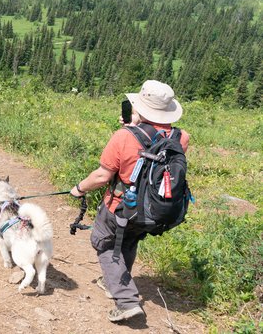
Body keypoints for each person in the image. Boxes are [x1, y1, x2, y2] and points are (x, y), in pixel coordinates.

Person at [70, 80, 190, 323]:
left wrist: (78, 189)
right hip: (153, 208)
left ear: (141, 109)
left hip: (121, 204)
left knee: (103, 242)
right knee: (129, 239)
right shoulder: (181, 137)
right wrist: (136, 125)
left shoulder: (123, 136)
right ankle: (116, 279)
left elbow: (103, 175)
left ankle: (126, 302)